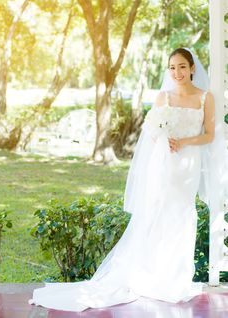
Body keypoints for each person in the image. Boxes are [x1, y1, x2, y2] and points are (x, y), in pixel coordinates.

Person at [29, 48, 228, 312]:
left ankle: (174, 279)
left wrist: (184, 141)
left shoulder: (205, 98)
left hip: (188, 165)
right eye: (172, 67)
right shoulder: (163, 97)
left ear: (192, 68)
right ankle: (151, 276)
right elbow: (152, 133)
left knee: (182, 213)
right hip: (165, 165)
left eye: (181, 67)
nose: (177, 73)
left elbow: (209, 135)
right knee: (157, 215)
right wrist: (163, 139)